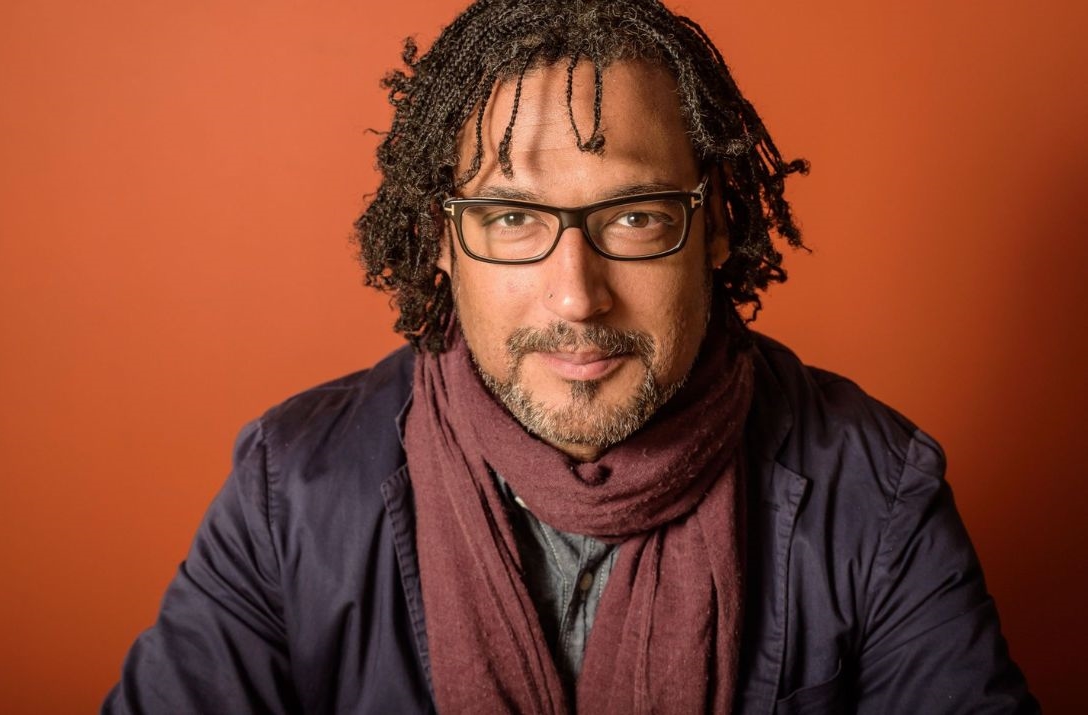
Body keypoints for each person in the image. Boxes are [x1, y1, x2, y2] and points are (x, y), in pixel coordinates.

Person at [103, 0, 1038, 712]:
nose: (577, 294)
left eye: (634, 216)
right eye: (512, 218)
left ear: (713, 225)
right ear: (440, 235)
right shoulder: (289, 494)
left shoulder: (878, 494)